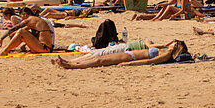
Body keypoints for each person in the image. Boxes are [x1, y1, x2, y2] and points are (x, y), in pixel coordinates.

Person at [52, 40, 188, 69]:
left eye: (174, 42)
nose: (171, 43)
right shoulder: (166, 51)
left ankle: (71, 65)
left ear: (176, 47)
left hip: (131, 57)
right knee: (98, 58)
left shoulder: (167, 54)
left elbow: (148, 62)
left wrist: (129, 63)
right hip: (130, 54)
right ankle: (71, 63)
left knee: (100, 61)